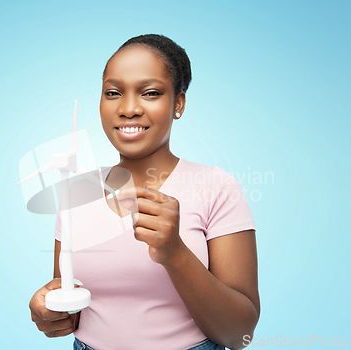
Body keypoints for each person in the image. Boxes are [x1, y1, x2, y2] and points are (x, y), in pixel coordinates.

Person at [29, 34, 260, 350]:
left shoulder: (216, 186)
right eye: (113, 93)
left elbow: (240, 334)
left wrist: (175, 254)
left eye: (150, 93)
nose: (128, 108)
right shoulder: (75, 191)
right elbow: (68, 306)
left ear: (178, 104)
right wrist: (47, 310)